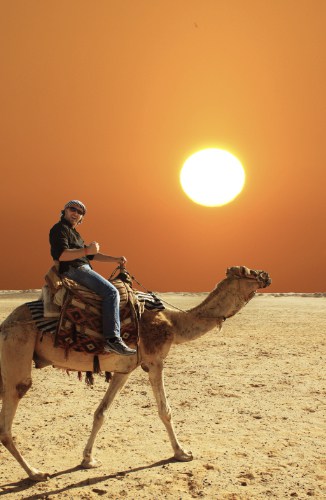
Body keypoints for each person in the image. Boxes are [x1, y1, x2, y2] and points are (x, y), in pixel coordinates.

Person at [49, 199, 136, 356]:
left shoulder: (75, 234)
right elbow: (62, 255)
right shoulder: (59, 229)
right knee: (111, 292)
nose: (76, 213)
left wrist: (115, 259)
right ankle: (112, 339)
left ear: (82, 218)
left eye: (80, 212)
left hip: (82, 267)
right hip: (73, 269)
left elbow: (92, 256)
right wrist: (87, 251)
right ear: (65, 211)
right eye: (72, 209)